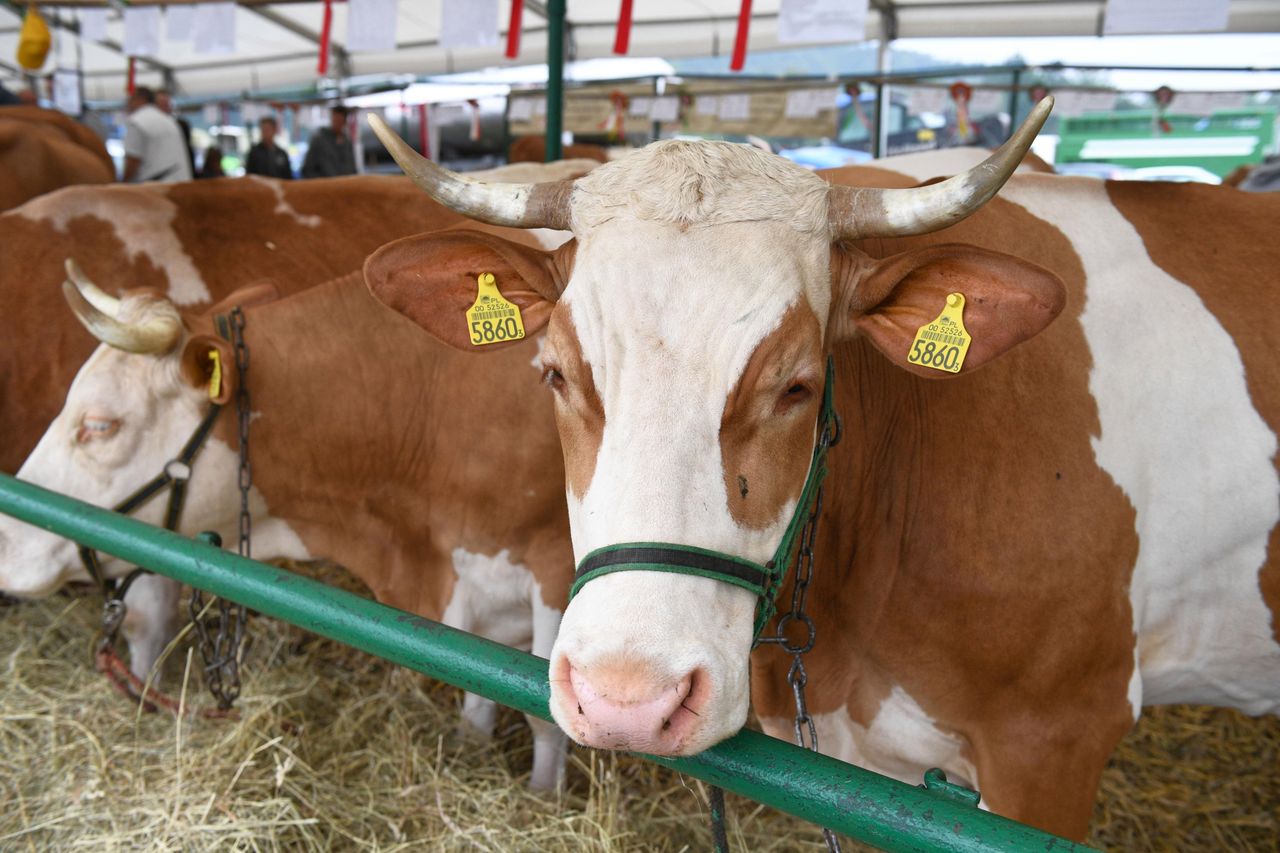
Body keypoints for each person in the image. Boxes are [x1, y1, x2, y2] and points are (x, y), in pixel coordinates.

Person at [122, 86, 192, 183]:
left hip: (154, 187)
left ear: (140, 99)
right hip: (180, 183)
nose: (127, 104)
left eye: (129, 100)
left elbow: (133, 160)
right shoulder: (169, 121)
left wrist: (122, 181)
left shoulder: (136, 121)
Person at [301, 105, 355, 178]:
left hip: (345, 186)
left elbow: (353, 168)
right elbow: (308, 169)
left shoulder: (347, 143)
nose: (337, 123)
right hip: (325, 186)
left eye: (340, 120)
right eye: (335, 119)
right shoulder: (319, 140)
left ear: (344, 122)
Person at [156, 88, 195, 176]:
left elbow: (188, 153)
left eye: (167, 104)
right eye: (161, 104)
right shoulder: (151, 127)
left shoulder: (180, 125)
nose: (165, 107)